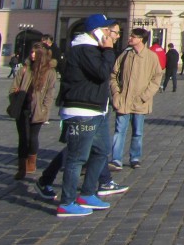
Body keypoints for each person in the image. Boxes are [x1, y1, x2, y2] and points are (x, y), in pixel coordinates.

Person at [56, 14, 119, 217]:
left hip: (95, 109)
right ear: (97, 31)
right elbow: (102, 73)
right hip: (81, 111)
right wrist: (108, 50)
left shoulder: (93, 50)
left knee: (101, 151)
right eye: (108, 30)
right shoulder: (84, 49)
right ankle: (66, 202)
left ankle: (87, 193)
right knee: (77, 158)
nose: (112, 34)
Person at [109, 27, 163, 171]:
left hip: (141, 101)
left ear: (141, 39)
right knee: (119, 130)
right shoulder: (125, 55)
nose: (129, 38)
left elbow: (156, 78)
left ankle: (135, 157)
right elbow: (113, 75)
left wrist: (145, 96)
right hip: (124, 100)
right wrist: (116, 93)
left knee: (137, 132)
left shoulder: (151, 57)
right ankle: (116, 159)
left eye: (133, 37)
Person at [8, 42, 57, 180]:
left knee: (32, 137)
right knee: (23, 138)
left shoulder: (50, 72)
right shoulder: (24, 69)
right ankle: (22, 167)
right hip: (23, 107)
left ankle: (32, 162)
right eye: (31, 52)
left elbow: (49, 93)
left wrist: (45, 109)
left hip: (37, 109)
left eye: (36, 53)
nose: (32, 55)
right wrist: (15, 97)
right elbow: (13, 88)